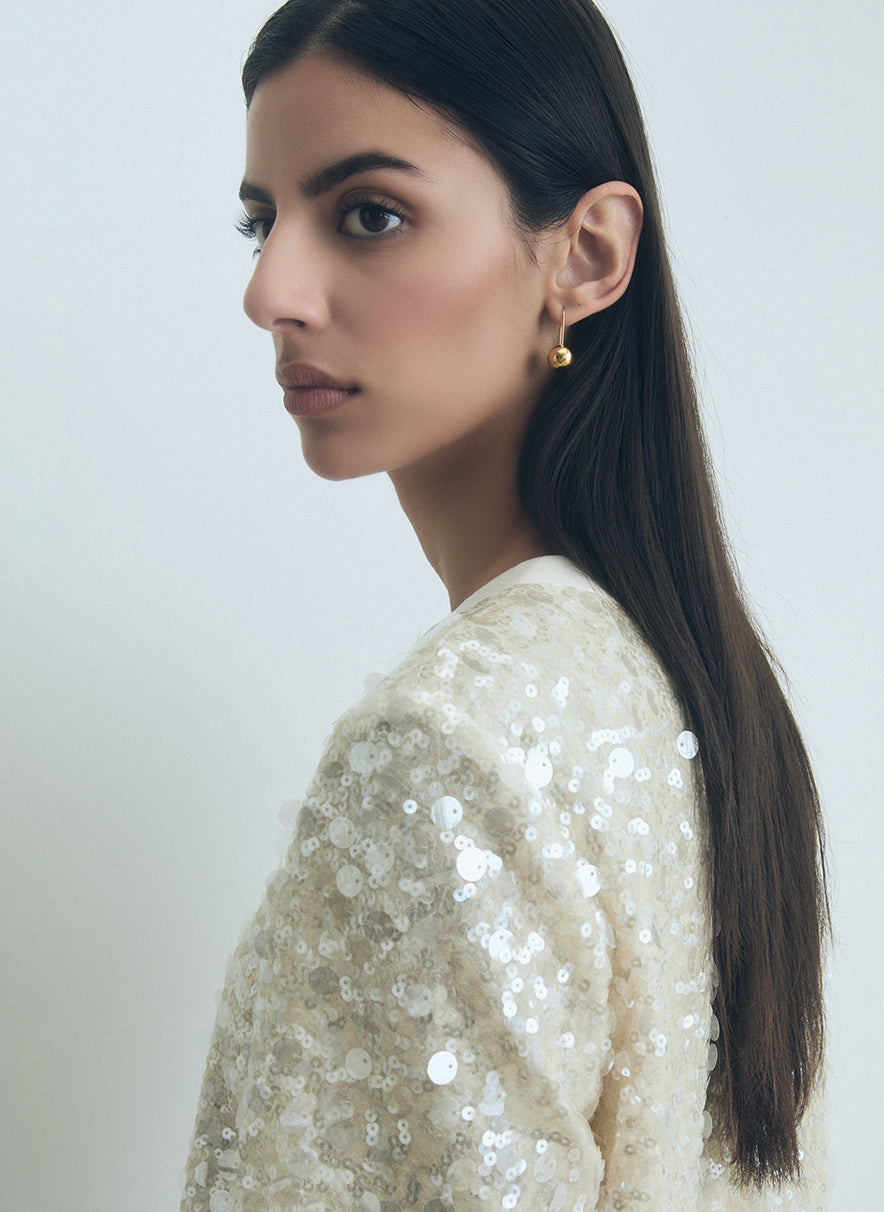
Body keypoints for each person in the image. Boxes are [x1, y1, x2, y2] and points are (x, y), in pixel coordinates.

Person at [181, 0, 830, 1208]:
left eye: (368, 214)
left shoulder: (447, 745)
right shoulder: (700, 696)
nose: (271, 290)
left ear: (583, 254)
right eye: (260, 221)